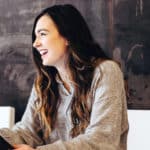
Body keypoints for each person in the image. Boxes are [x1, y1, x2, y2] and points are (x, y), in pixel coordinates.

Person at [0, 4, 128, 150]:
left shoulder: (106, 72)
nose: (35, 44)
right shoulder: (44, 83)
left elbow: (102, 140)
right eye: (35, 37)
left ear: (68, 37)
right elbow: (27, 133)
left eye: (42, 34)